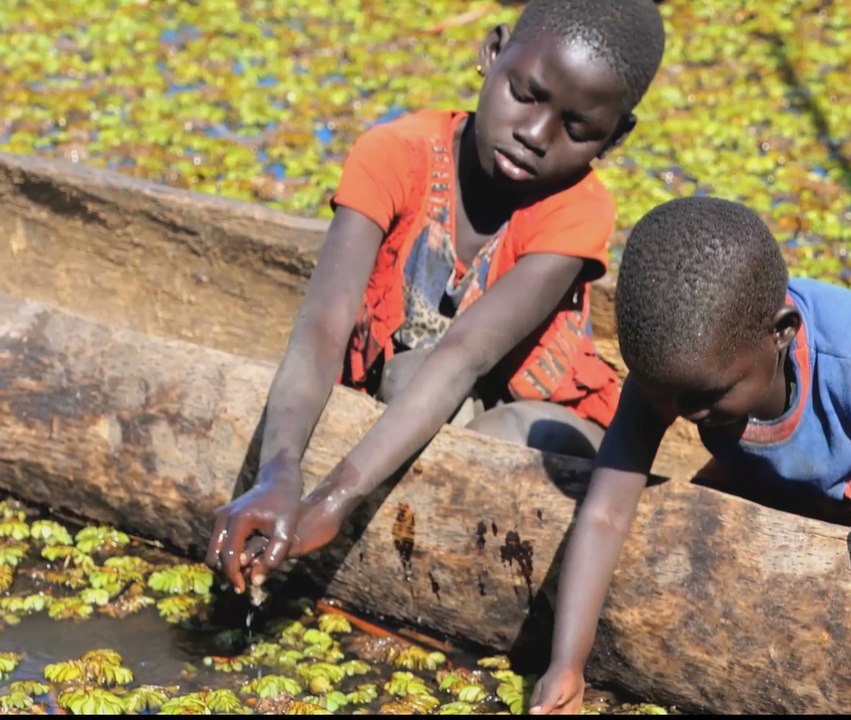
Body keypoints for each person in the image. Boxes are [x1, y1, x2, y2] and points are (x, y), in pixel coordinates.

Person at [205, 0, 667, 595]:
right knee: (401, 382)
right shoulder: (396, 154)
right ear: (493, 53)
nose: (534, 134)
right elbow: (322, 327)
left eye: (577, 130)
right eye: (525, 95)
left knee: (438, 399)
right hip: (421, 400)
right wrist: (278, 472)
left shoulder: (577, 211)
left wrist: (337, 496)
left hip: (539, 432)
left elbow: (464, 355)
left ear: (616, 135)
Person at [528, 196, 851, 714]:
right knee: (693, 523)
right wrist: (567, 665)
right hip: (808, 469)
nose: (681, 412)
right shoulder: (677, 374)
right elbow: (605, 512)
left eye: (706, 398)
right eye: (668, 396)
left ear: (782, 332)